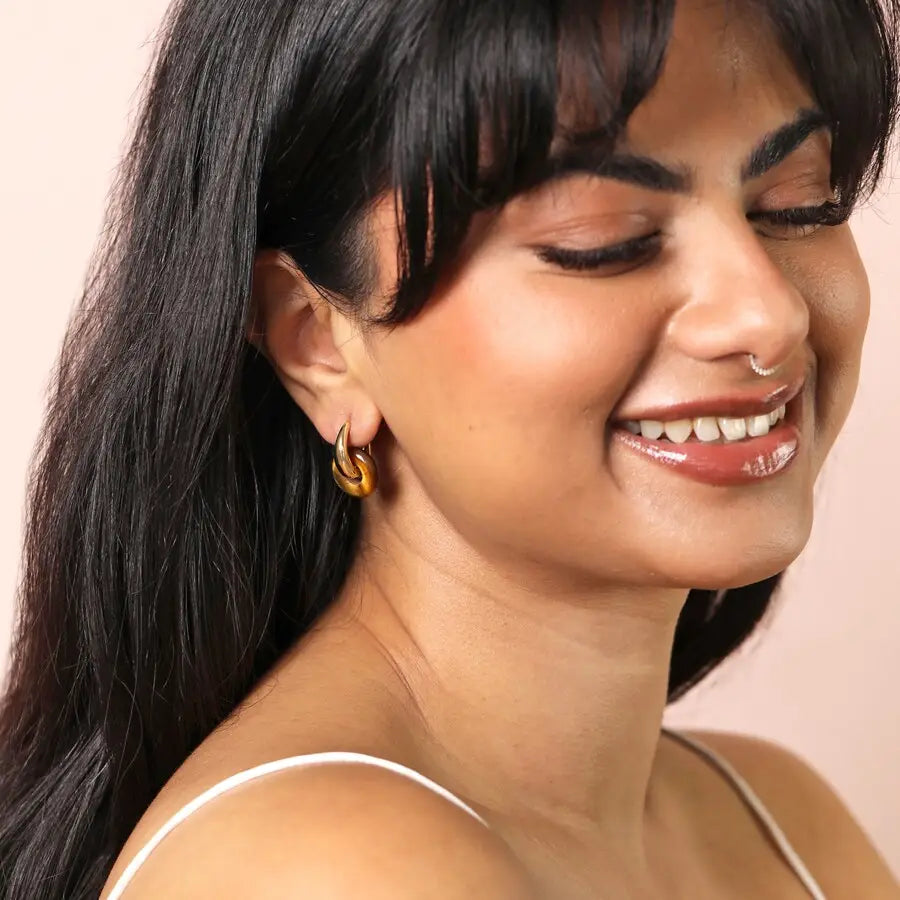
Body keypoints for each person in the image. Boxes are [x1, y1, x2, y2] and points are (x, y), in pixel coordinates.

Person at [1, 0, 898, 896]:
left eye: (798, 204)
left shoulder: (783, 820)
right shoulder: (329, 873)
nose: (767, 314)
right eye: (604, 242)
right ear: (318, 341)